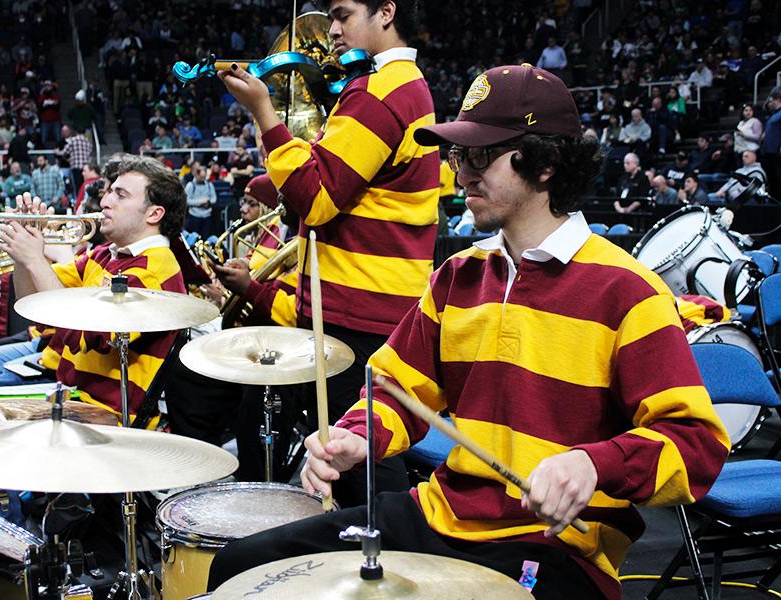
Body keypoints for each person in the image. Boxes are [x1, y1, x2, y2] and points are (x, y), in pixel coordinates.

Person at [207, 64, 730, 600]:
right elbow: (394, 387)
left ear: (546, 163)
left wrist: (592, 465)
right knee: (240, 566)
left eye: (481, 157)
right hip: (439, 514)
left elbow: (696, 444)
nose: (462, 176)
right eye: (459, 157)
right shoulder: (457, 277)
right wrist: (358, 435)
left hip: (555, 546)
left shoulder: (628, 291)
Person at [213, 0, 439, 506]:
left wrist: (263, 111)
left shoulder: (379, 91)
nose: (332, 31)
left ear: (386, 12)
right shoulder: (398, 85)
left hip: (356, 311)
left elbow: (314, 199)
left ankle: (383, 544)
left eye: (343, 15)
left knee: (359, 464)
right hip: (364, 304)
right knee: (335, 444)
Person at [0, 155, 187, 422]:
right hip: (70, 388)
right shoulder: (105, 254)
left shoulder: (153, 268)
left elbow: (80, 335)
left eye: (120, 195)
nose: (105, 201)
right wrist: (22, 254)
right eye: (110, 192)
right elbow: (32, 304)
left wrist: (35, 259)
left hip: (100, 408)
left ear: (154, 214)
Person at [184, 166, 216, 238]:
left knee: (206, 238)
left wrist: (208, 202)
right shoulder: (190, 185)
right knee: (194, 238)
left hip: (207, 215)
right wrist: (200, 202)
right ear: (196, 175)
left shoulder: (209, 185)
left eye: (204, 177)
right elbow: (186, 201)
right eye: (201, 177)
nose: (203, 179)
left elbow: (214, 198)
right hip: (194, 216)